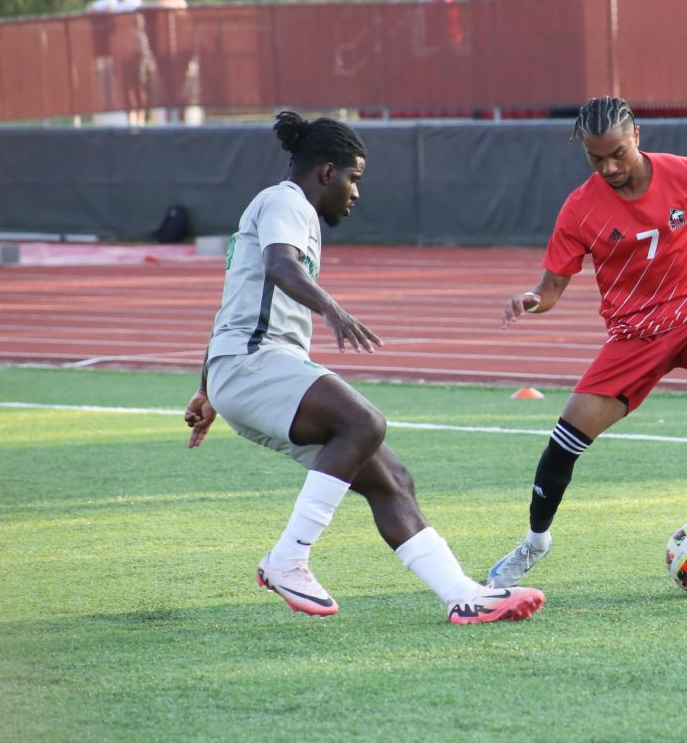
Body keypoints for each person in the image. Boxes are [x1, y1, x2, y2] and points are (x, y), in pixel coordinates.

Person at [184, 111, 545, 624]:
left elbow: (234, 304)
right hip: (252, 365)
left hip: (246, 371)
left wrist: (206, 391)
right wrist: (332, 309)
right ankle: (287, 560)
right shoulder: (285, 200)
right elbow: (279, 266)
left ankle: (462, 595)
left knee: (390, 477)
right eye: (355, 178)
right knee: (364, 422)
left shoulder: (294, 212)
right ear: (327, 172)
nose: (356, 192)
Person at [487, 95, 687, 588]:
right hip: (633, 338)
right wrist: (532, 299)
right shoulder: (579, 208)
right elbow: (552, 287)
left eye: (617, 154)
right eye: (595, 158)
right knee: (562, 445)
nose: (608, 167)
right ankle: (534, 544)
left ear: (638, 137)